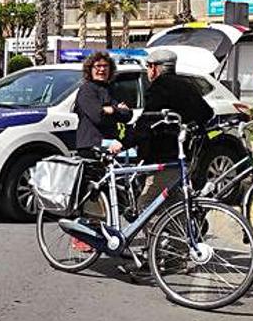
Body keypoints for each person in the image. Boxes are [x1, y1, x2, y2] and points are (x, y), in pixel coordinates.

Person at [110, 49, 213, 205]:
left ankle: (184, 228)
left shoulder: (160, 87)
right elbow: (207, 113)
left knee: (145, 205)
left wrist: (123, 142)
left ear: (154, 68)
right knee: (172, 202)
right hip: (186, 155)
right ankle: (191, 227)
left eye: (148, 67)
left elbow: (146, 122)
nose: (148, 72)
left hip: (164, 156)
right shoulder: (186, 85)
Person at [74, 52, 132, 155]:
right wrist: (117, 110)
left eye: (105, 66)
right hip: (91, 146)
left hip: (114, 146)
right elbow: (98, 117)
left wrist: (112, 110)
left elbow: (128, 115)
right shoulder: (87, 90)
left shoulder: (113, 89)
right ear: (90, 69)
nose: (102, 69)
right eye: (98, 66)